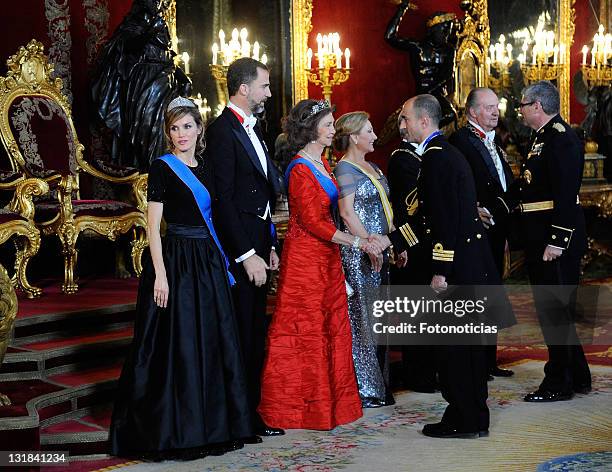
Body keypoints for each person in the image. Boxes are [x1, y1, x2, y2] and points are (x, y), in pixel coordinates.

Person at [109, 97, 252, 460]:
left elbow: (217, 216)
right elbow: (153, 228)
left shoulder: (205, 167)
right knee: (181, 346)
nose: (181, 134)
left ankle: (215, 426)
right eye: (174, 128)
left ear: (199, 129)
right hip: (176, 262)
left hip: (208, 261)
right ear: (168, 133)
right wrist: (160, 276)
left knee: (212, 342)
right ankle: (179, 429)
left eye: (187, 126)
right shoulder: (162, 167)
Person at [372, 94, 515, 438]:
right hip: (470, 262)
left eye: (405, 118)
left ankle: (462, 419)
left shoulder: (436, 158)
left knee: (455, 349)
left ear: (424, 121)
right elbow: (426, 220)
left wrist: (440, 270)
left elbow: (442, 222)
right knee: (467, 349)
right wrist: (392, 241)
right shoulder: (446, 154)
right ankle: (474, 417)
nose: (401, 125)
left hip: (457, 266)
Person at [258, 99, 364, 430]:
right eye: (329, 125)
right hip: (305, 261)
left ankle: (330, 404)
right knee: (304, 331)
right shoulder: (300, 168)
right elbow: (311, 222)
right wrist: (356, 241)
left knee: (328, 328)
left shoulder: (322, 163)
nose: (335, 130)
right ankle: (296, 408)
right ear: (312, 129)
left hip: (326, 258)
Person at [205, 57, 283, 439]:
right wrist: (245, 255)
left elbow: (261, 197)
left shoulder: (255, 130)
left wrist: (267, 244)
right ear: (243, 88)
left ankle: (251, 414)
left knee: (254, 333)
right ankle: (238, 420)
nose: (269, 93)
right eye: (265, 86)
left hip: (256, 245)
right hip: (238, 253)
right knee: (241, 335)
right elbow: (223, 201)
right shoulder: (222, 132)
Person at [511, 80, 591, 402]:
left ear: (537, 107)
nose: (520, 111)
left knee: (554, 313)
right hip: (540, 237)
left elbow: (565, 195)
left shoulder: (561, 139)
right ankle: (578, 374)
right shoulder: (541, 138)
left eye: (523, 105)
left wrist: (557, 240)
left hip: (554, 242)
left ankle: (558, 382)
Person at [333, 111, 401, 408]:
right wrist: (369, 245)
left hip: (380, 248)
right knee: (363, 317)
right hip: (360, 252)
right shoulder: (345, 169)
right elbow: (347, 214)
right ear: (354, 136)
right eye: (370, 131)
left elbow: (388, 210)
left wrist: (396, 243)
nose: (375, 136)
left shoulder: (373, 166)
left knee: (381, 317)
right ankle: (366, 387)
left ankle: (381, 382)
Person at [448, 88, 515, 379]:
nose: (495, 112)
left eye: (495, 107)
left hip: (496, 226)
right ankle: (476, 361)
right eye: (488, 108)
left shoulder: (494, 141)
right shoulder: (459, 141)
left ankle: (489, 360)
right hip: (475, 228)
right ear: (473, 112)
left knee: (492, 292)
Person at [91, 0, 191, 170]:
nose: (160, 4)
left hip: (165, 79)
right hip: (145, 79)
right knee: (147, 127)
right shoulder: (137, 19)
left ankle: (164, 173)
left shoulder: (160, 20)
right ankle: (147, 174)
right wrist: (149, 32)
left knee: (165, 128)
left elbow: (167, 55)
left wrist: (182, 78)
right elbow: (125, 46)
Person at [387, 106, 438, 394]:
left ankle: (430, 369)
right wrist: (407, 244)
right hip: (414, 244)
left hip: (428, 241)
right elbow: (410, 208)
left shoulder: (426, 154)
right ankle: (419, 375)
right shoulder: (402, 158)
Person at [385, 1, 459, 128]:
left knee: (450, 115)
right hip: (420, 92)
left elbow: (447, 74)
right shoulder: (417, 47)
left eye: (448, 31)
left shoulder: (449, 50)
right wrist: (401, 10)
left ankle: (427, 131)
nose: (446, 35)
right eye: (444, 31)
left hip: (437, 92)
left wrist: (431, 90)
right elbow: (390, 37)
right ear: (433, 30)